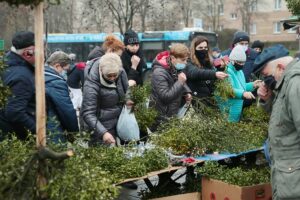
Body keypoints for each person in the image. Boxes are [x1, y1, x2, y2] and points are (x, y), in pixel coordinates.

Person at [253, 44, 300, 200]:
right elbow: (283, 117)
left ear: (280, 68)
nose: (265, 81)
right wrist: (267, 99)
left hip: (294, 178)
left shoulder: (295, 84)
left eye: (267, 76)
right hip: (288, 175)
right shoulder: (285, 84)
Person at [81, 53, 128, 146]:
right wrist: (103, 132)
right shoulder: (91, 85)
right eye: (109, 76)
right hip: (99, 128)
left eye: (115, 75)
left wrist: (129, 99)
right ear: (101, 70)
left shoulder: (120, 72)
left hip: (118, 124)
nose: (112, 78)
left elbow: (127, 89)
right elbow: (88, 113)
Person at [0, 31, 36, 140]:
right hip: (13, 139)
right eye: (42, 50)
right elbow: (15, 113)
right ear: (27, 53)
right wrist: (38, 132)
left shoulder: (8, 64)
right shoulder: (21, 76)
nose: (44, 54)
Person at [149, 43, 192, 131]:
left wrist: (186, 92)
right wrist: (180, 82)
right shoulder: (159, 73)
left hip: (171, 115)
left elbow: (177, 81)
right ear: (173, 58)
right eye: (183, 60)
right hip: (161, 118)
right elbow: (165, 96)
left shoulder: (174, 67)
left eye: (186, 60)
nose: (185, 63)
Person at [217, 45, 261, 122]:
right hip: (228, 108)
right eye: (239, 62)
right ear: (232, 60)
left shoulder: (239, 71)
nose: (241, 64)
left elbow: (241, 86)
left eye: (243, 62)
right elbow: (228, 90)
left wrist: (253, 84)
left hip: (237, 108)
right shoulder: (226, 71)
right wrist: (243, 94)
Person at [45, 51, 79, 143]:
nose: (64, 73)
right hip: (54, 131)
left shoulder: (40, 76)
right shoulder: (56, 83)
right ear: (57, 66)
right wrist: (74, 133)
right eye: (64, 69)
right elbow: (66, 111)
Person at [184, 36, 228, 106]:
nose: (203, 50)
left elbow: (212, 82)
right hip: (197, 102)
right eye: (200, 48)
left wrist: (220, 69)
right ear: (194, 49)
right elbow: (195, 73)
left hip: (209, 100)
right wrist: (214, 74)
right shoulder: (189, 62)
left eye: (205, 47)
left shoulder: (208, 62)